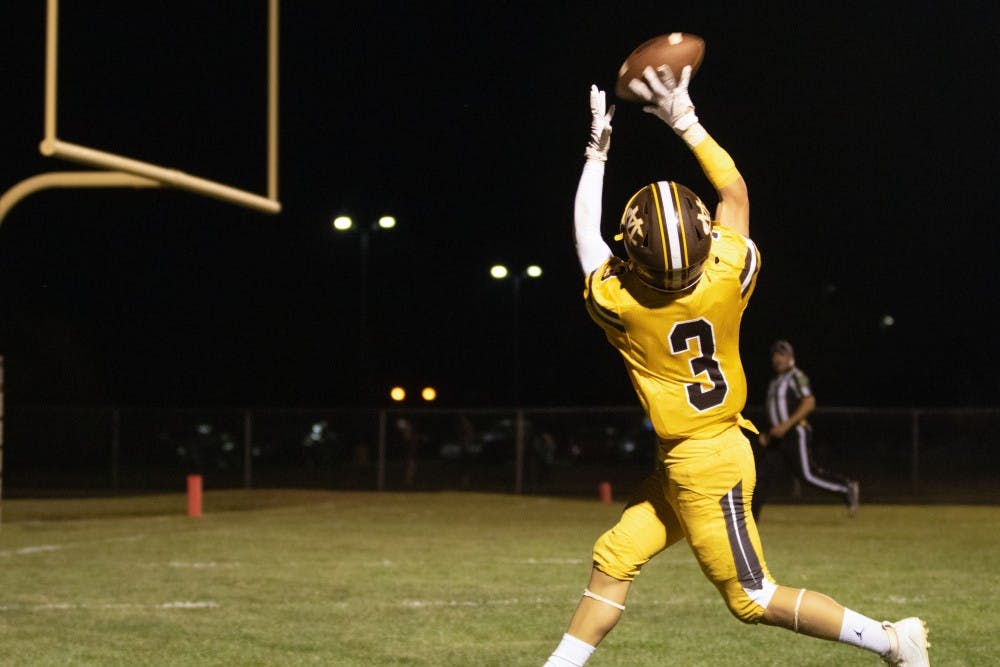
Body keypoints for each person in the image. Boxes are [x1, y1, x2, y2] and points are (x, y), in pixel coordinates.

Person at [541, 65, 929, 666]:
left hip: (708, 464)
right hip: (694, 455)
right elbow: (735, 194)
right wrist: (685, 120)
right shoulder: (727, 276)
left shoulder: (623, 305)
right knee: (614, 556)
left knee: (752, 597)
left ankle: (892, 641)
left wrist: (597, 154)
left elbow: (586, 237)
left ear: (634, 255)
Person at [752, 339, 860, 520]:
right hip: (777, 438)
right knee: (762, 476)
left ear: (790, 357)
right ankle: (750, 519)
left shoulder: (796, 376)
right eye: (775, 355)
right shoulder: (775, 381)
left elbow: (809, 402)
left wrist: (786, 425)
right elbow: (775, 411)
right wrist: (768, 433)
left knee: (807, 475)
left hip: (795, 433)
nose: (777, 358)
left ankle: (845, 487)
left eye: (781, 354)